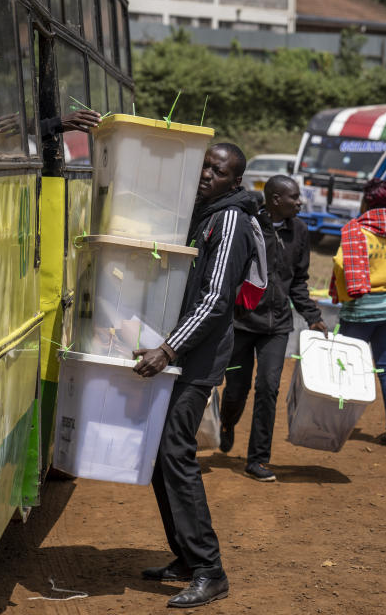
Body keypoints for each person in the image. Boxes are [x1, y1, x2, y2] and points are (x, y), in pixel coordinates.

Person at [132, 143, 259, 608]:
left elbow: (214, 300)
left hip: (196, 359)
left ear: (235, 181)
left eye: (218, 170)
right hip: (182, 351)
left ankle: (210, 569)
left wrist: (167, 349)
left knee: (175, 454)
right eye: (204, 165)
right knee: (162, 457)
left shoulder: (230, 221)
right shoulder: (202, 213)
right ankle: (186, 558)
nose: (207, 174)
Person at [219, 175, 326, 482]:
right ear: (276, 200)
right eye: (294, 197)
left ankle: (257, 460)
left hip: (277, 325)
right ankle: (227, 423)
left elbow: (299, 280)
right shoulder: (248, 226)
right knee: (236, 389)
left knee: (268, 387)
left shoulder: (300, 231)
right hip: (242, 322)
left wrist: (311, 315)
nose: (300, 202)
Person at [330, 179, 386, 446]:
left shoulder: (356, 232)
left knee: (345, 365)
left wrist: (343, 292)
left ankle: (337, 424)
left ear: (366, 202)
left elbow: (341, 264)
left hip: (360, 310)